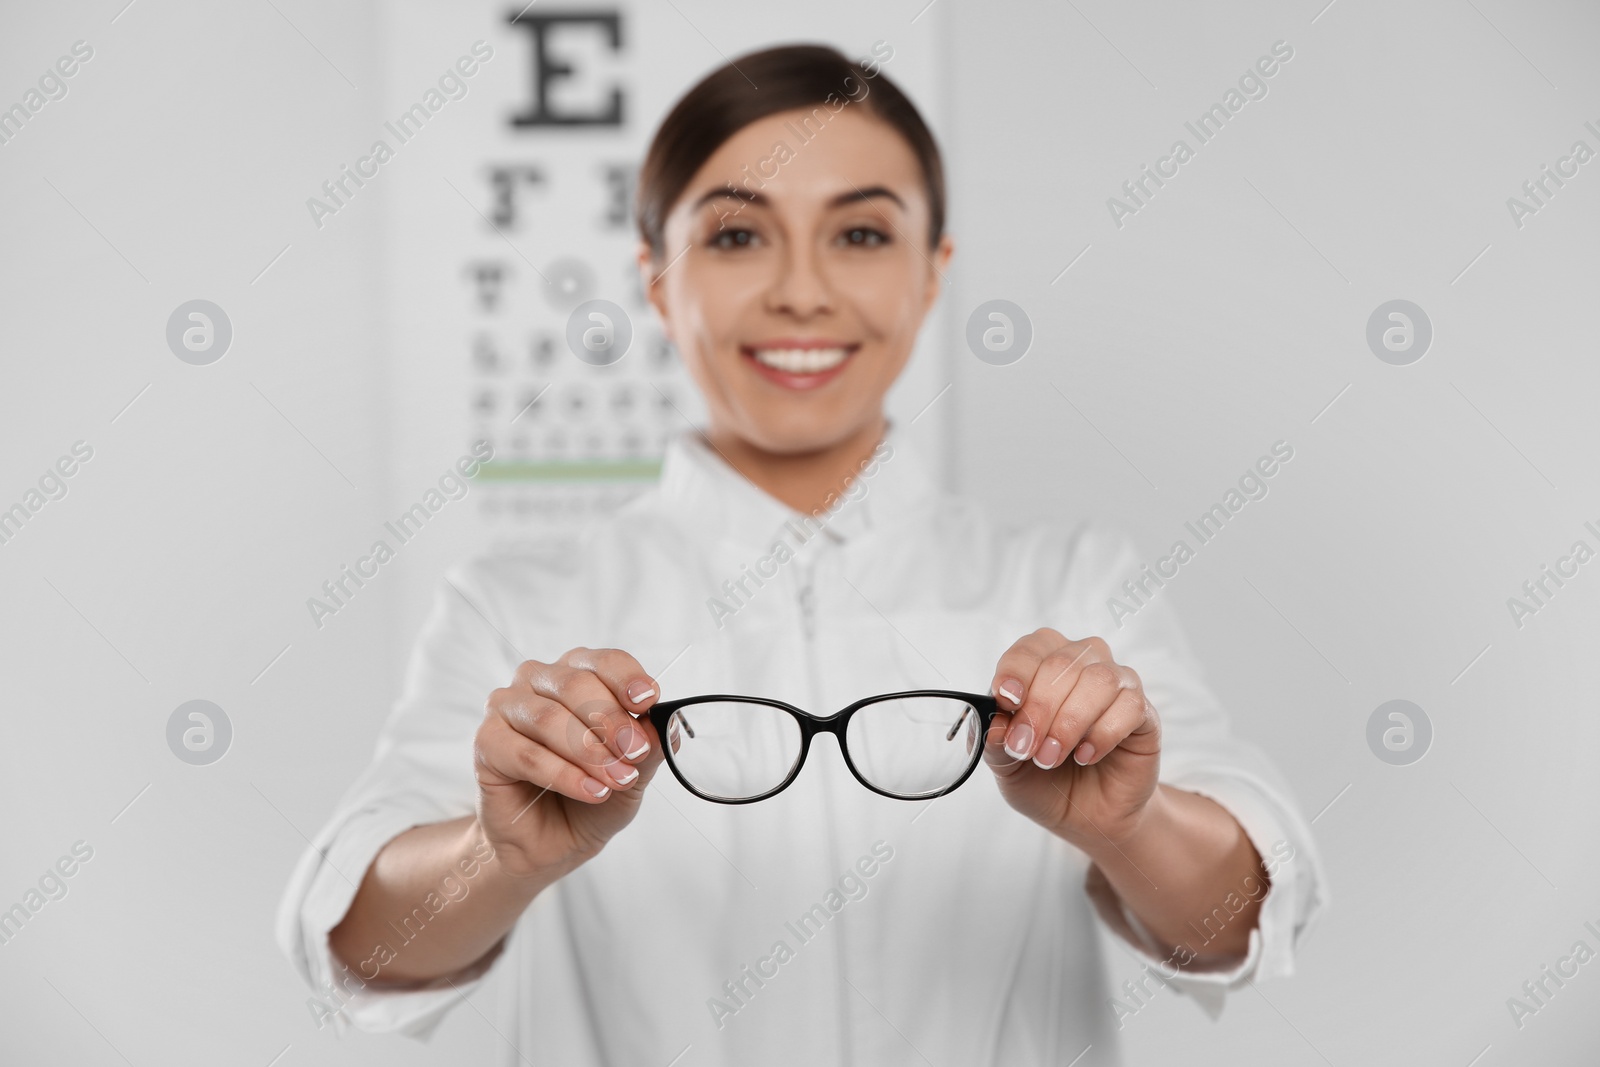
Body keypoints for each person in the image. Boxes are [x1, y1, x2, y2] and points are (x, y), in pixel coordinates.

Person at [276, 43, 1327, 1066]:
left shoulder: (1070, 583)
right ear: (653, 278)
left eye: (861, 234)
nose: (801, 292)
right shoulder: (516, 606)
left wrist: (1131, 826)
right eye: (736, 236)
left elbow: (1236, 920)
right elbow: (361, 945)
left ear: (931, 273)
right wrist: (492, 856)